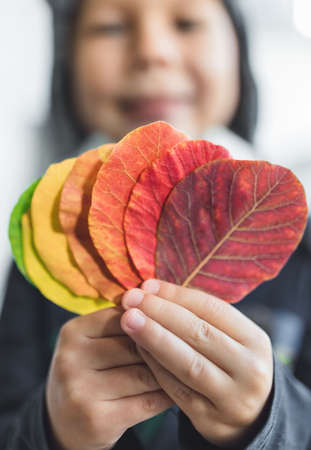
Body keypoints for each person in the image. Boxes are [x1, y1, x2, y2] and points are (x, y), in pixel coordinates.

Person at [1, 1, 311, 449]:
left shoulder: (301, 251)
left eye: (186, 23)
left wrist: (266, 418)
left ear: (238, 54)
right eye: (109, 28)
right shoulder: (46, 247)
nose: (152, 51)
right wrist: (55, 431)